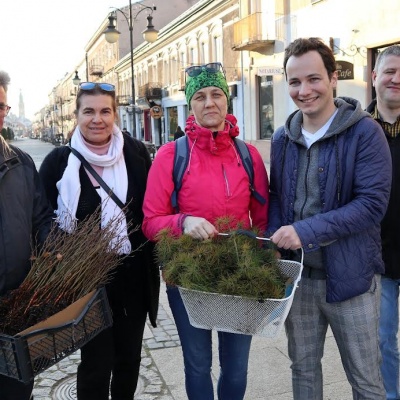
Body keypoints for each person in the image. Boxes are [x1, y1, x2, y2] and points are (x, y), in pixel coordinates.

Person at [267, 38, 392, 400]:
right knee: (304, 372)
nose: (304, 91)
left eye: (313, 79)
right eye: (294, 82)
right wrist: (276, 237)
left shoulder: (365, 132)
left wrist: (302, 231)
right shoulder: (282, 137)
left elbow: (370, 205)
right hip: (301, 279)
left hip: (351, 280)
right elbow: (278, 197)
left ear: (333, 78)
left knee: (365, 379)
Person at [142, 63, 269, 400]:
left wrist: (262, 262)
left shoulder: (248, 155)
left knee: (237, 367)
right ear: (190, 104)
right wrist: (182, 221)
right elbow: (151, 220)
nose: (209, 102)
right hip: (187, 277)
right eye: (199, 96)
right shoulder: (171, 155)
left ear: (227, 101)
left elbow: (263, 219)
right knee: (198, 364)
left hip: (238, 276)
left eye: (216, 94)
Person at [38, 82, 160, 400]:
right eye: (88, 111)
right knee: (95, 362)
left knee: (129, 359)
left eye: (105, 111)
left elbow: (150, 210)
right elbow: (41, 221)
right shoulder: (58, 163)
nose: (97, 119)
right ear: (76, 116)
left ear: (115, 114)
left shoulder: (135, 153)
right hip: (85, 281)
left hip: (132, 275)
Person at [0, 71, 54, 400]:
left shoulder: (20, 164)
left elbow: (41, 217)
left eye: (0, 105)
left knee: (18, 392)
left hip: (15, 315)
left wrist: (53, 247)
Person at [366, 44, 400, 400]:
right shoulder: (358, 130)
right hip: (378, 260)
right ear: (374, 76)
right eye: (389, 71)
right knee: (383, 342)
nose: (396, 79)